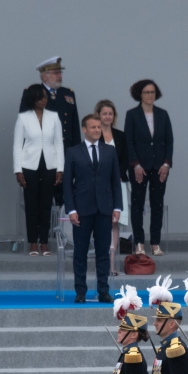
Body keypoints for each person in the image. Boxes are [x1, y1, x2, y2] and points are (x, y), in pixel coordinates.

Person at [63, 114, 122, 304]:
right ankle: (80, 291)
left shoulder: (110, 151)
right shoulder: (73, 152)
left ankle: (103, 290)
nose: (97, 130)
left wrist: (117, 207)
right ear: (84, 129)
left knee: (103, 252)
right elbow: (66, 184)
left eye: (99, 127)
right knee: (80, 253)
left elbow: (115, 181)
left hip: (104, 208)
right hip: (82, 210)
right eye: (93, 127)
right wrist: (71, 210)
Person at [19, 56, 80, 206]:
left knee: (63, 197)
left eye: (60, 73)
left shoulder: (68, 94)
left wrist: (77, 154)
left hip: (64, 154)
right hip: (41, 156)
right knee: (41, 200)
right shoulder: (32, 94)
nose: (60, 76)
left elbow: (74, 127)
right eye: (56, 73)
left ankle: (58, 230)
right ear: (44, 76)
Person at [13, 84, 64, 256]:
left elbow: (59, 144)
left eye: (45, 97)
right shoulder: (23, 118)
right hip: (29, 166)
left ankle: (44, 242)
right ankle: (32, 242)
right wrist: (17, 170)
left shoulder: (54, 116)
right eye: (40, 96)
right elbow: (17, 146)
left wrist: (60, 168)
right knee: (31, 205)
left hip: (50, 165)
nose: (44, 99)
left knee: (46, 204)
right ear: (32, 98)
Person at [124, 79, 173, 256]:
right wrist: (135, 164)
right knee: (137, 205)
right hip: (139, 168)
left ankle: (155, 243)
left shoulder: (163, 114)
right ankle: (139, 243)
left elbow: (169, 141)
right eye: (146, 92)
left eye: (152, 92)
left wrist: (167, 163)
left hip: (159, 167)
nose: (150, 95)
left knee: (157, 205)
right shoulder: (132, 114)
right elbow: (129, 142)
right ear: (139, 94)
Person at [95, 99, 129, 275]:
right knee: (101, 223)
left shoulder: (121, 135)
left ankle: (112, 265)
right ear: (98, 116)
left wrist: (115, 175)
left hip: (117, 184)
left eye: (110, 113)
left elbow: (125, 160)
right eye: (104, 113)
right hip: (99, 186)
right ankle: (101, 263)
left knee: (114, 224)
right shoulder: (94, 135)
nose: (107, 117)